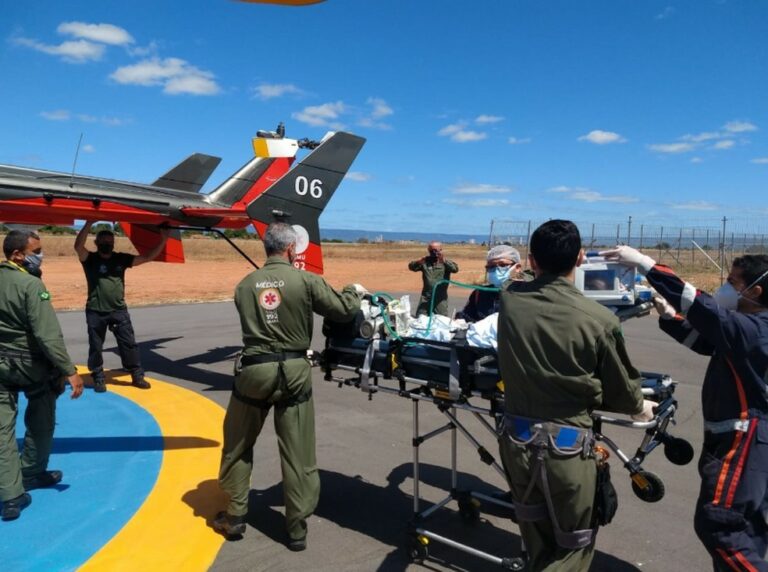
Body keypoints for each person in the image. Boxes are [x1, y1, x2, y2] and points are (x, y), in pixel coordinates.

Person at [496, 220, 653, 571]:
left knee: (536, 540)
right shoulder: (599, 319)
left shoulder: (509, 300)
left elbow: (516, 285)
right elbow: (626, 396)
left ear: (532, 259)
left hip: (516, 442)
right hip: (565, 452)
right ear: (580, 257)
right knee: (574, 549)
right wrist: (631, 401)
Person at [602, 245, 768, 571]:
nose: (725, 287)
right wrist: (669, 316)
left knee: (721, 525)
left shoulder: (755, 332)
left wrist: (646, 265)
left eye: (733, 282)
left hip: (744, 441)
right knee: (745, 529)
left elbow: (701, 306)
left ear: (756, 291)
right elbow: (705, 341)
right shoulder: (750, 328)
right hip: (746, 440)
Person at [215, 223, 362, 551]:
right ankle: (296, 528)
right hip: (295, 372)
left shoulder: (245, 285)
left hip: (253, 371)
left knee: (238, 442)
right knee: (298, 451)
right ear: (292, 250)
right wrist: (353, 290)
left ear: (266, 248)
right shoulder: (306, 281)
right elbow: (343, 310)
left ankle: (236, 515)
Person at [0, 230, 84, 521]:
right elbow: (48, 335)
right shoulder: (31, 285)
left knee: (2, 433)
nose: (41, 255)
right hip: (31, 366)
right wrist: (69, 371)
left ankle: (11, 496)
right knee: (42, 419)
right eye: (37, 250)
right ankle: (32, 473)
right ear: (17, 255)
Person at [74, 222, 168, 392]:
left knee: (129, 344)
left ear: (113, 244)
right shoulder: (90, 259)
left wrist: (163, 239)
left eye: (110, 242)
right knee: (96, 346)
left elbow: (147, 258)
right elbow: (78, 246)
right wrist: (89, 222)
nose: (107, 244)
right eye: (103, 241)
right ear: (96, 243)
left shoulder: (121, 259)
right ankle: (98, 377)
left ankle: (137, 375)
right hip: (96, 311)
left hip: (118, 311)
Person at [457, 244, 524, 322]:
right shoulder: (480, 294)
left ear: (517, 268)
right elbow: (467, 317)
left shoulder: (527, 294)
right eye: (491, 266)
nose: (496, 270)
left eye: (502, 265)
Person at [408, 241, 459, 317]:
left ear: (441, 250)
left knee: (442, 319)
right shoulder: (425, 262)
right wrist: (419, 262)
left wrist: (444, 261)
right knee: (420, 318)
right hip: (426, 296)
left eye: (436, 250)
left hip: (440, 297)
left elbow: (455, 269)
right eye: (432, 250)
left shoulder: (445, 262)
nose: (434, 253)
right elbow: (411, 267)